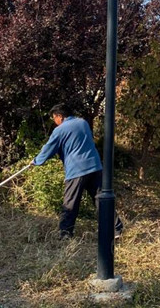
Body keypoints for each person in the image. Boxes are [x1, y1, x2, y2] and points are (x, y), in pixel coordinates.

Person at [31, 103, 123, 240]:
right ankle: (115, 229)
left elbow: (49, 148)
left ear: (60, 116)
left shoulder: (60, 130)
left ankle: (65, 234)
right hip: (95, 166)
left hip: (76, 169)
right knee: (101, 199)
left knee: (70, 203)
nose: (55, 122)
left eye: (54, 118)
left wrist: (36, 161)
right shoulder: (83, 123)